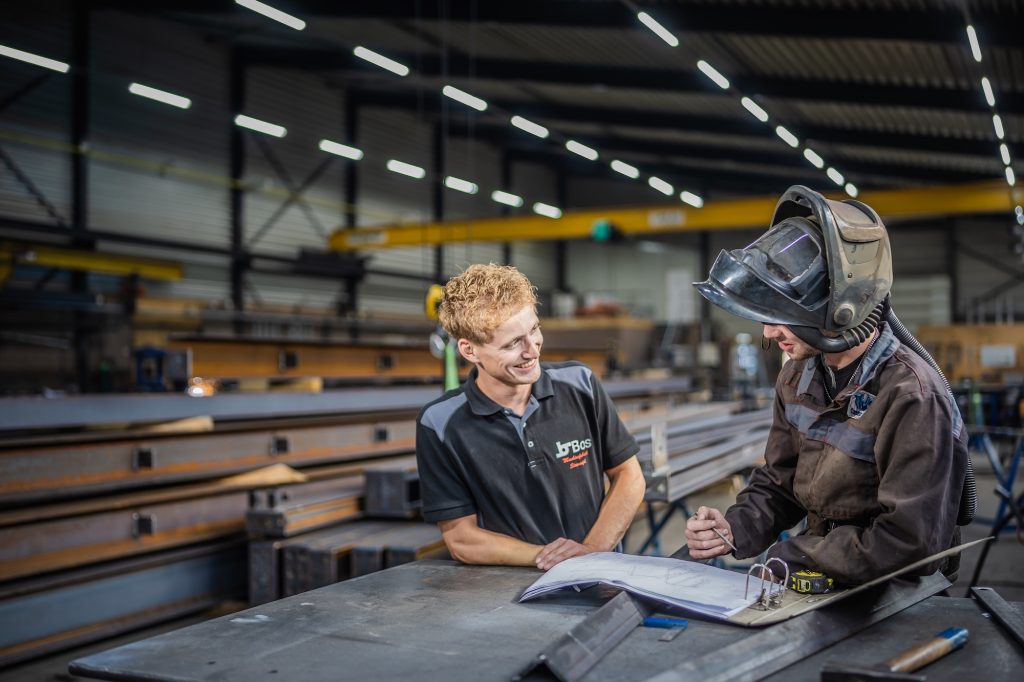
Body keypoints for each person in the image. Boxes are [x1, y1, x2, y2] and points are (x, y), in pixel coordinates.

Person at [684, 185, 972, 585]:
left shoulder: (913, 396)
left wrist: (792, 553)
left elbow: (910, 543)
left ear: (839, 311)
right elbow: (780, 483)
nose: (768, 332)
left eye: (781, 316)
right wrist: (735, 530)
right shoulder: (797, 375)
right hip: (822, 567)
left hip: (896, 593)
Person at [416, 263, 646, 571]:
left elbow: (629, 476)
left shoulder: (580, 384)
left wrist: (591, 551)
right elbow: (461, 538)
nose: (532, 350)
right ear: (470, 351)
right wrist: (547, 557)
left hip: (601, 571)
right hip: (508, 593)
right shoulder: (440, 424)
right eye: (513, 343)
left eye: (534, 330)